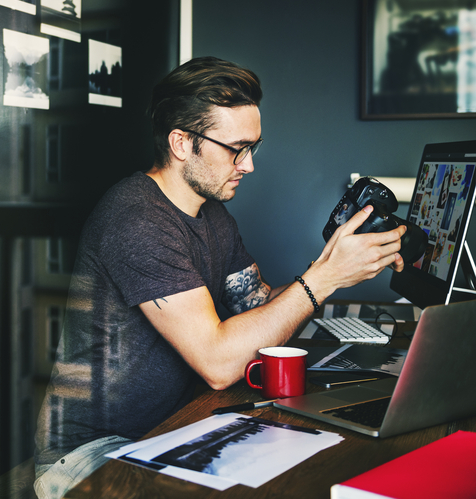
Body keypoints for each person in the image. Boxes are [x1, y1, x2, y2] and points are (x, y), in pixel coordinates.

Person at [32, 57, 406, 499]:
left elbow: (261, 305)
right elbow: (218, 362)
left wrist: (337, 267)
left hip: (173, 427)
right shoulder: (135, 218)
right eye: (236, 148)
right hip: (90, 451)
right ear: (181, 143)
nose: (248, 166)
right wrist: (323, 279)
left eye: (254, 148)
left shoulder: (213, 216)